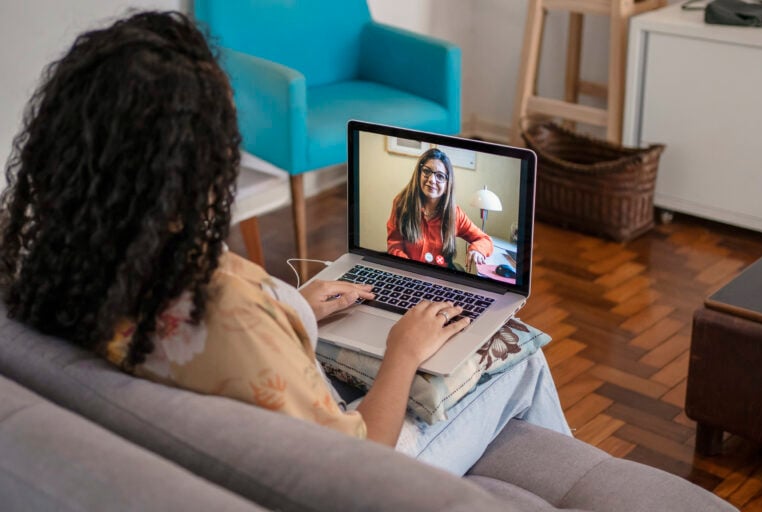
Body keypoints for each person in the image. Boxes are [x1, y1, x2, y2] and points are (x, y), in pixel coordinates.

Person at [0, 11, 570, 475]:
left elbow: (471, 236)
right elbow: (360, 458)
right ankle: (565, 470)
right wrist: (402, 349)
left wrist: (296, 305)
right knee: (522, 356)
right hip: (366, 468)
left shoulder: (54, 262)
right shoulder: (231, 312)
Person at [387, 148, 493, 270]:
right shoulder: (402, 204)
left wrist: (477, 250)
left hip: (439, 279)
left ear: (448, 184)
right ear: (419, 174)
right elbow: (394, 246)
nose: (431, 180)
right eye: (427, 171)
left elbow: (485, 239)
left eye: (440, 176)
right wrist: (412, 270)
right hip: (407, 273)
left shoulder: (455, 214)